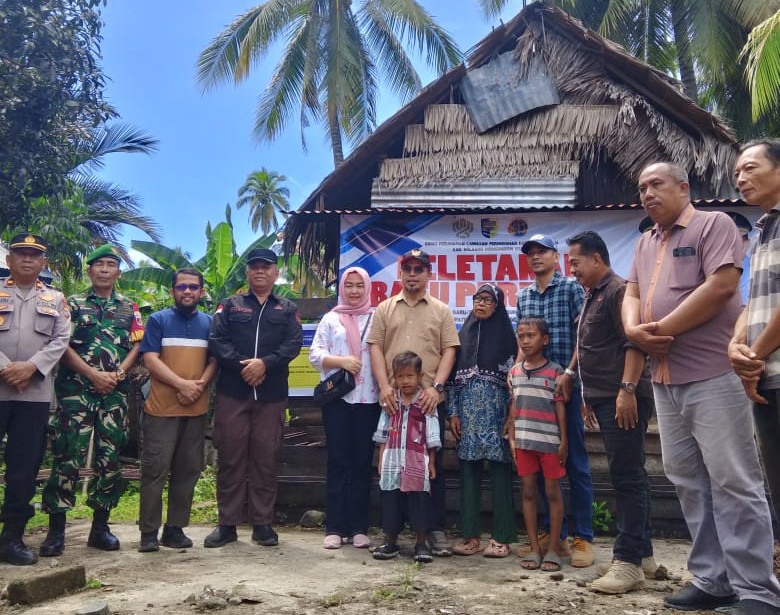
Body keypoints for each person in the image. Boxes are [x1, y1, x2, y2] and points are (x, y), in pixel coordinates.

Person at [624, 161, 780, 615]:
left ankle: (757, 591)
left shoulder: (713, 225)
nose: (647, 193)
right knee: (688, 480)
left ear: (683, 187)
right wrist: (634, 331)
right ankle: (713, 580)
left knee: (735, 480)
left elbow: (722, 286)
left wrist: (660, 330)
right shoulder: (644, 241)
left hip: (714, 373)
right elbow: (631, 293)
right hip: (666, 379)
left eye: (656, 184)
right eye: (641, 187)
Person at [40, 244, 144, 556]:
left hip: (113, 394)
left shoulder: (130, 308)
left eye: (110, 265)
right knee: (67, 455)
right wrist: (91, 374)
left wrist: (118, 374)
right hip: (75, 392)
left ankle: (101, 528)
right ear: (89, 270)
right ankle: (56, 531)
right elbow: (61, 344)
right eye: (98, 264)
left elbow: (138, 345)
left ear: (118, 272)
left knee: (109, 459)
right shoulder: (71, 303)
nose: (104, 269)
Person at [568, 231, 656, 594]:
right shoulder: (593, 294)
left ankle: (628, 562)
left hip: (625, 395)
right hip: (604, 396)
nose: (571, 270)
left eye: (575, 262)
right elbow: (593, 349)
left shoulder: (619, 290)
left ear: (597, 259)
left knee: (626, 476)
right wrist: (587, 393)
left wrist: (627, 390)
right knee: (632, 472)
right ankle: (645, 554)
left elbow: (633, 341)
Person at [206, 248, 302, 548]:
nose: (260, 272)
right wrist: (243, 366)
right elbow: (217, 341)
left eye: (266, 267)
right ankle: (227, 524)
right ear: (247, 272)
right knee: (231, 458)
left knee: (265, 459)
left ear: (276, 273)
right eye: (255, 267)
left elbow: (294, 344)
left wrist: (265, 364)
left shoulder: (286, 309)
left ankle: (262, 524)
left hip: (271, 395)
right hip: (233, 392)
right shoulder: (230, 305)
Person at [367, 248, 459, 557]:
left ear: (428, 274)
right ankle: (391, 533)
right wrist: (383, 387)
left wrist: (436, 387)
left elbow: (449, 350)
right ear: (400, 272)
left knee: (432, 467)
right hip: (393, 401)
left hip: (428, 401)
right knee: (390, 468)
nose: (413, 274)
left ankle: (433, 531)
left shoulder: (441, 310)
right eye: (408, 268)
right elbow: (376, 348)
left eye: (419, 269)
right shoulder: (384, 308)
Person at [516, 234, 594, 567]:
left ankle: (582, 537)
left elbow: (583, 335)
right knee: (541, 466)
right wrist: (518, 371)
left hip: (567, 385)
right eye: (530, 253)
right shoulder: (524, 296)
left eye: (541, 251)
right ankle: (552, 533)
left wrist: (569, 374)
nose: (535, 257)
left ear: (555, 256)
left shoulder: (572, 289)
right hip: (535, 390)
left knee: (573, 459)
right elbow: (521, 341)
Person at [0, 234, 70, 565]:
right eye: (21, 253)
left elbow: (61, 339)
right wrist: (7, 369)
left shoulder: (56, 299)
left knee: (23, 468)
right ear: (9, 259)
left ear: (44, 262)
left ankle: (12, 537)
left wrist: (30, 368)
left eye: (35, 254)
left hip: (35, 395)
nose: (27, 259)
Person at [137, 268, 218, 552]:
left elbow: (214, 361)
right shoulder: (159, 320)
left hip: (195, 411)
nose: (187, 292)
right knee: (155, 471)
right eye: (181, 287)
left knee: (188, 471)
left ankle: (174, 529)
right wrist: (182, 385)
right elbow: (150, 359)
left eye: (193, 287)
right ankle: (148, 532)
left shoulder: (210, 323)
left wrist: (198, 386)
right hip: (161, 410)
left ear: (201, 292)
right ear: (172, 291)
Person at [309, 266, 380, 550]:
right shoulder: (331, 318)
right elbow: (316, 354)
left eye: (359, 286)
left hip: (368, 399)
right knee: (338, 462)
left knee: (362, 464)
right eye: (348, 285)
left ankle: (359, 527)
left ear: (367, 288)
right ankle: (335, 527)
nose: (353, 291)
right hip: (338, 401)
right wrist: (342, 362)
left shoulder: (377, 318)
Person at [730, 139, 780, 532]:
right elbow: (751, 302)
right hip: (765, 376)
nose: (741, 179)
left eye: (749, 168)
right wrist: (736, 345)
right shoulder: (763, 229)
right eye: (736, 174)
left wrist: (754, 357)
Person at [447, 283, 517, 558]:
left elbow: (516, 382)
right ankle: (470, 536)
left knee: (501, 476)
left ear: (497, 305)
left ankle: (502, 537)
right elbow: (453, 381)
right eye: (478, 298)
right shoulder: (463, 335)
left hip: (497, 418)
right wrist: (453, 412)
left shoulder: (508, 339)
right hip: (467, 419)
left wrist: (511, 416)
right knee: (468, 476)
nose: (481, 303)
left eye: (488, 299)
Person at [507, 317, 567, 573]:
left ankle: (553, 547)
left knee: (553, 494)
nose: (525, 340)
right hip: (524, 442)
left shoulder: (556, 372)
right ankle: (534, 547)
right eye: (521, 336)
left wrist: (564, 440)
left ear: (545, 339)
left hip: (549, 443)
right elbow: (514, 405)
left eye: (531, 335)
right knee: (528, 493)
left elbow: (560, 407)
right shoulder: (514, 372)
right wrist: (511, 436)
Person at [372, 351, 441, 564]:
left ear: (419, 376)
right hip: (392, 461)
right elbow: (382, 433)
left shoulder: (426, 402)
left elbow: (432, 435)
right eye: (400, 376)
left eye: (410, 376)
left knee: (419, 502)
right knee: (391, 501)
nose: (405, 381)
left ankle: (421, 543)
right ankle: (390, 541)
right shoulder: (391, 401)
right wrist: (381, 458)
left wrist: (432, 462)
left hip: (417, 462)